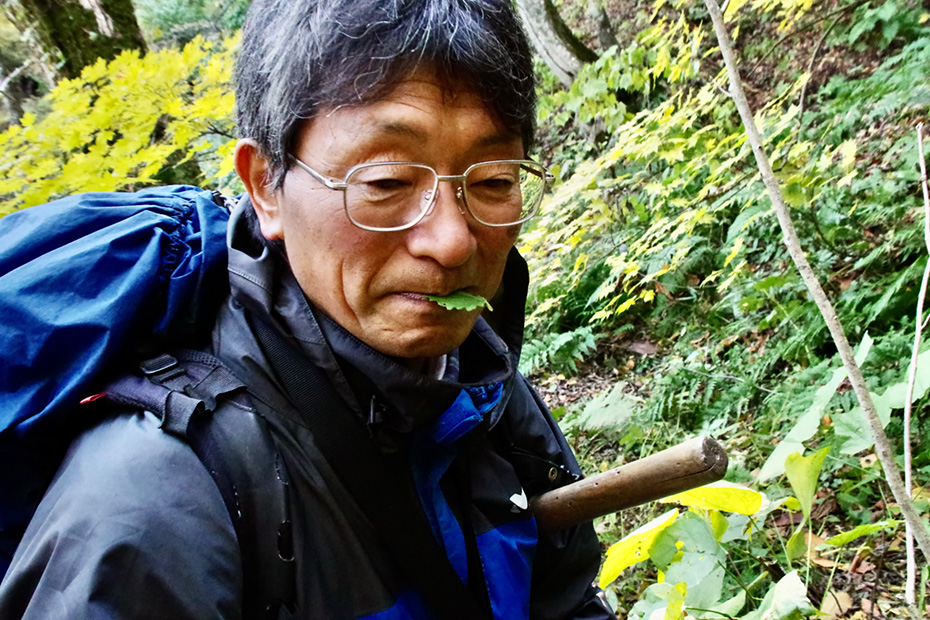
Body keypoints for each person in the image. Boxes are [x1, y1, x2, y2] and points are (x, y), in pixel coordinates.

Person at [0, 1, 616, 618]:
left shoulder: (478, 381)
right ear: (265, 186)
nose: (453, 241)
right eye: (386, 182)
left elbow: (566, 599)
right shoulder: (155, 498)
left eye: (494, 181)